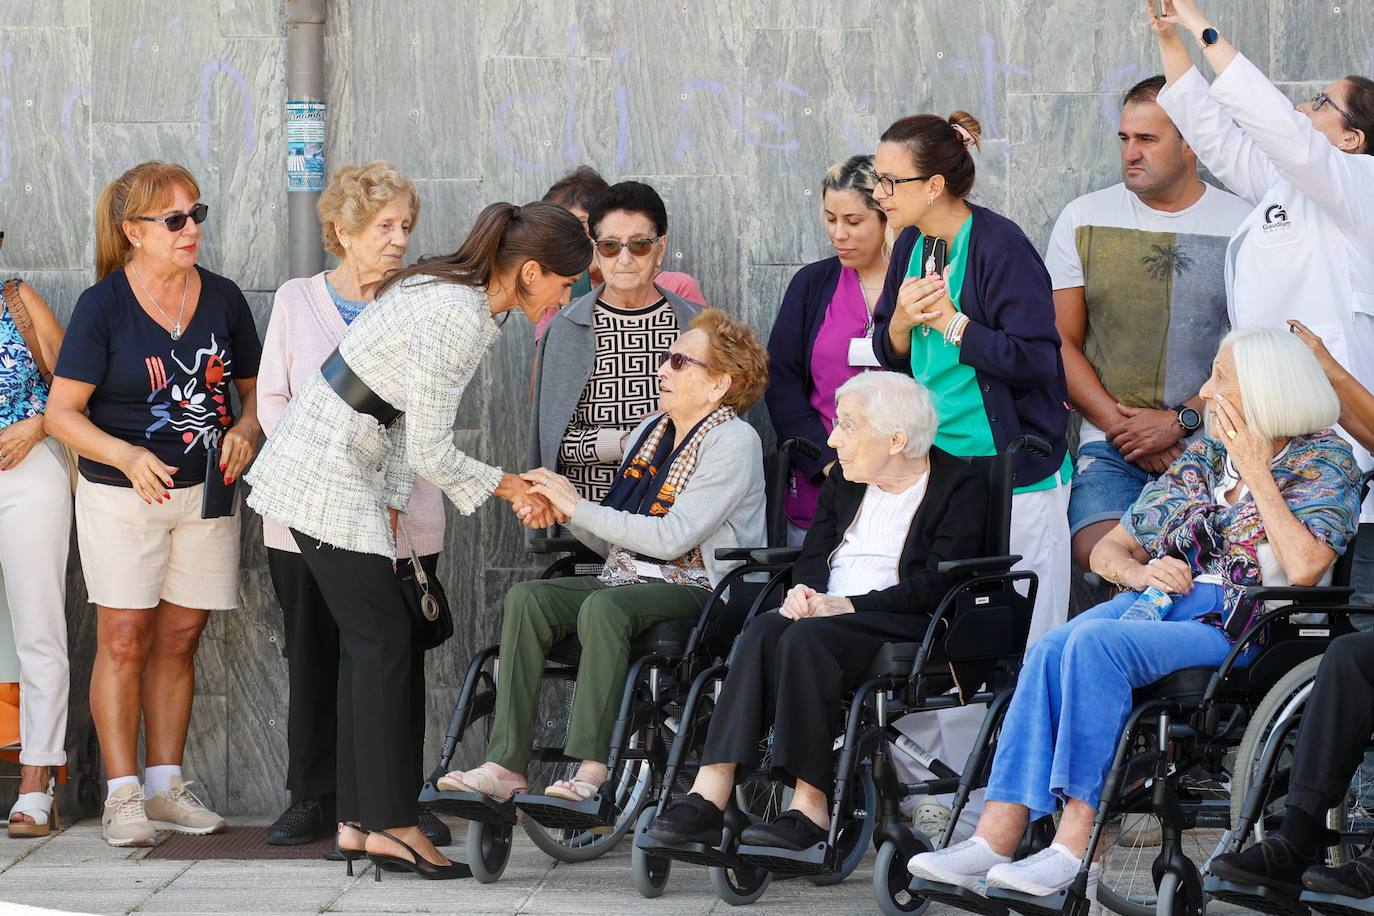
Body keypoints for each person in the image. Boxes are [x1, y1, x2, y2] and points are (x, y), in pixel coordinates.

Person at [909, 327, 1362, 900]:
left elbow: (1303, 567)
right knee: (1051, 645)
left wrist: (1256, 471)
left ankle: (1075, 850)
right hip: (1159, 602)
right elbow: (1108, 549)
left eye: (1221, 376)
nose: (1205, 387)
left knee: (1094, 647)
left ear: (1267, 390)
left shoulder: (1325, 460)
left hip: (1242, 621)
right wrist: (1138, 572)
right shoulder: (1206, 457)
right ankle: (997, 838)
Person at [245, 201, 590, 880]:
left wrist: (395, 502)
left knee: (373, 646)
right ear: (529, 271)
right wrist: (512, 486)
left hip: (341, 471)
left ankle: (359, 822)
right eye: (566, 280)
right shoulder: (457, 314)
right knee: (384, 646)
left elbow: (395, 411)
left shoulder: (451, 293)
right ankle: (391, 825)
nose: (568, 294)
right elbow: (431, 446)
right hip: (328, 474)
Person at [438, 308, 768, 805]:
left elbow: (671, 540)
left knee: (605, 606)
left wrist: (578, 505)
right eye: (668, 357)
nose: (663, 368)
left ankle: (593, 769)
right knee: (530, 598)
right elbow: (617, 541)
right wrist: (563, 512)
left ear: (720, 384)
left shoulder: (733, 441)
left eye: (680, 361)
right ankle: (505, 764)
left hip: (702, 590)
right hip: (627, 579)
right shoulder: (650, 433)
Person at [645, 372, 987, 850]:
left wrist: (849, 604)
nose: (832, 440)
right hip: (831, 612)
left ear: (896, 439)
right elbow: (814, 554)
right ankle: (710, 793)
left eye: (847, 426)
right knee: (764, 629)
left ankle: (810, 806)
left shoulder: (960, 485)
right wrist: (803, 592)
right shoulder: (847, 480)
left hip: (907, 618)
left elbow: (937, 582)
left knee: (808, 637)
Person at [46, 161, 262, 847]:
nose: (191, 228)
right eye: (174, 220)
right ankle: (122, 795)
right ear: (132, 232)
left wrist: (247, 428)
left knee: (179, 638)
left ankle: (166, 787)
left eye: (198, 213)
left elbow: (256, 391)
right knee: (124, 639)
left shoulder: (225, 299)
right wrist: (125, 454)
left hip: (207, 493)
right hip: (123, 498)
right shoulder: (102, 305)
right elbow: (61, 414)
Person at [869, 112, 1072, 838]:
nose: (879, 193)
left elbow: (1038, 360)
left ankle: (1034, 810)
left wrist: (952, 322)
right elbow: (887, 348)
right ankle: (959, 796)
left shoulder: (1002, 247)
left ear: (933, 183)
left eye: (889, 181)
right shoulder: (910, 244)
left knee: (1029, 640)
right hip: (942, 475)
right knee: (954, 635)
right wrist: (901, 324)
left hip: (1016, 476)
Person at [1149, 0, 1374, 590]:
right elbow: (1214, 137)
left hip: (1330, 437)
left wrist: (1203, 28)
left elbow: (1281, 128)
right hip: (1266, 432)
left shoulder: (1359, 184)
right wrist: (1172, 41)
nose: (1305, 107)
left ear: (1353, 138)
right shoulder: (1286, 187)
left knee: (1326, 598)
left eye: (1322, 104)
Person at [256, 162, 447, 848]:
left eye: (404, 225)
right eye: (382, 226)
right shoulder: (296, 299)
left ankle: (394, 797)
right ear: (342, 230)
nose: (397, 239)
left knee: (395, 659)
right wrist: (325, 466)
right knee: (314, 656)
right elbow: (272, 399)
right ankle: (316, 794)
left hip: (400, 514)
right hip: (306, 513)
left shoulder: (420, 301)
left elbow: (429, 409)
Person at [1047, 75, 1251, 572]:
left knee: (1203, 565)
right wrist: (1126, 430)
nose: (1130, 153)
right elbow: (1059, 341)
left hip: (1214, 447)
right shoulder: (1083, 217)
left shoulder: (1244, 223)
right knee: (1099, 554)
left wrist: (1180, 422)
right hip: (1112, 445)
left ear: (1191, 145)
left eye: (1147, 139)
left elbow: (1254, 351)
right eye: (1124, 138)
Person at [530, 181, 704, 507]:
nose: (624, 258)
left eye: (638, 245)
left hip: (679, 517)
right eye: (610, 246)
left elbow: (721, 430)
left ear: (661, 247)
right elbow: (552, 441)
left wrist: (672, 431)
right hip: (587, 519)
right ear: (595, 249)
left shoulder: (695, 325)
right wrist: (626, 443)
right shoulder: (567, 328)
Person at [765, 155, 890, 542]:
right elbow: (780, 379)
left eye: (853, 221)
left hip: (902, 479)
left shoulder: (919, 283)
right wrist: (827, 462)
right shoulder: (812, 284)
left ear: (888, 217)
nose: (839, 234)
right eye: (830, 219)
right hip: (822, 474)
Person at [0, 242, 72, 839]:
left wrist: (38, 422)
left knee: (38, 628)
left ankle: (37, 777)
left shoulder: (17, 301)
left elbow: (77, 387)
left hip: (26, 472)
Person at [536, 167, 705, 339]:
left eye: (639, 244)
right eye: (559, 234)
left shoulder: (677, 289)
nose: (572, 240)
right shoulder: (562, 294)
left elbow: (704, 356)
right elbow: (549, 362)